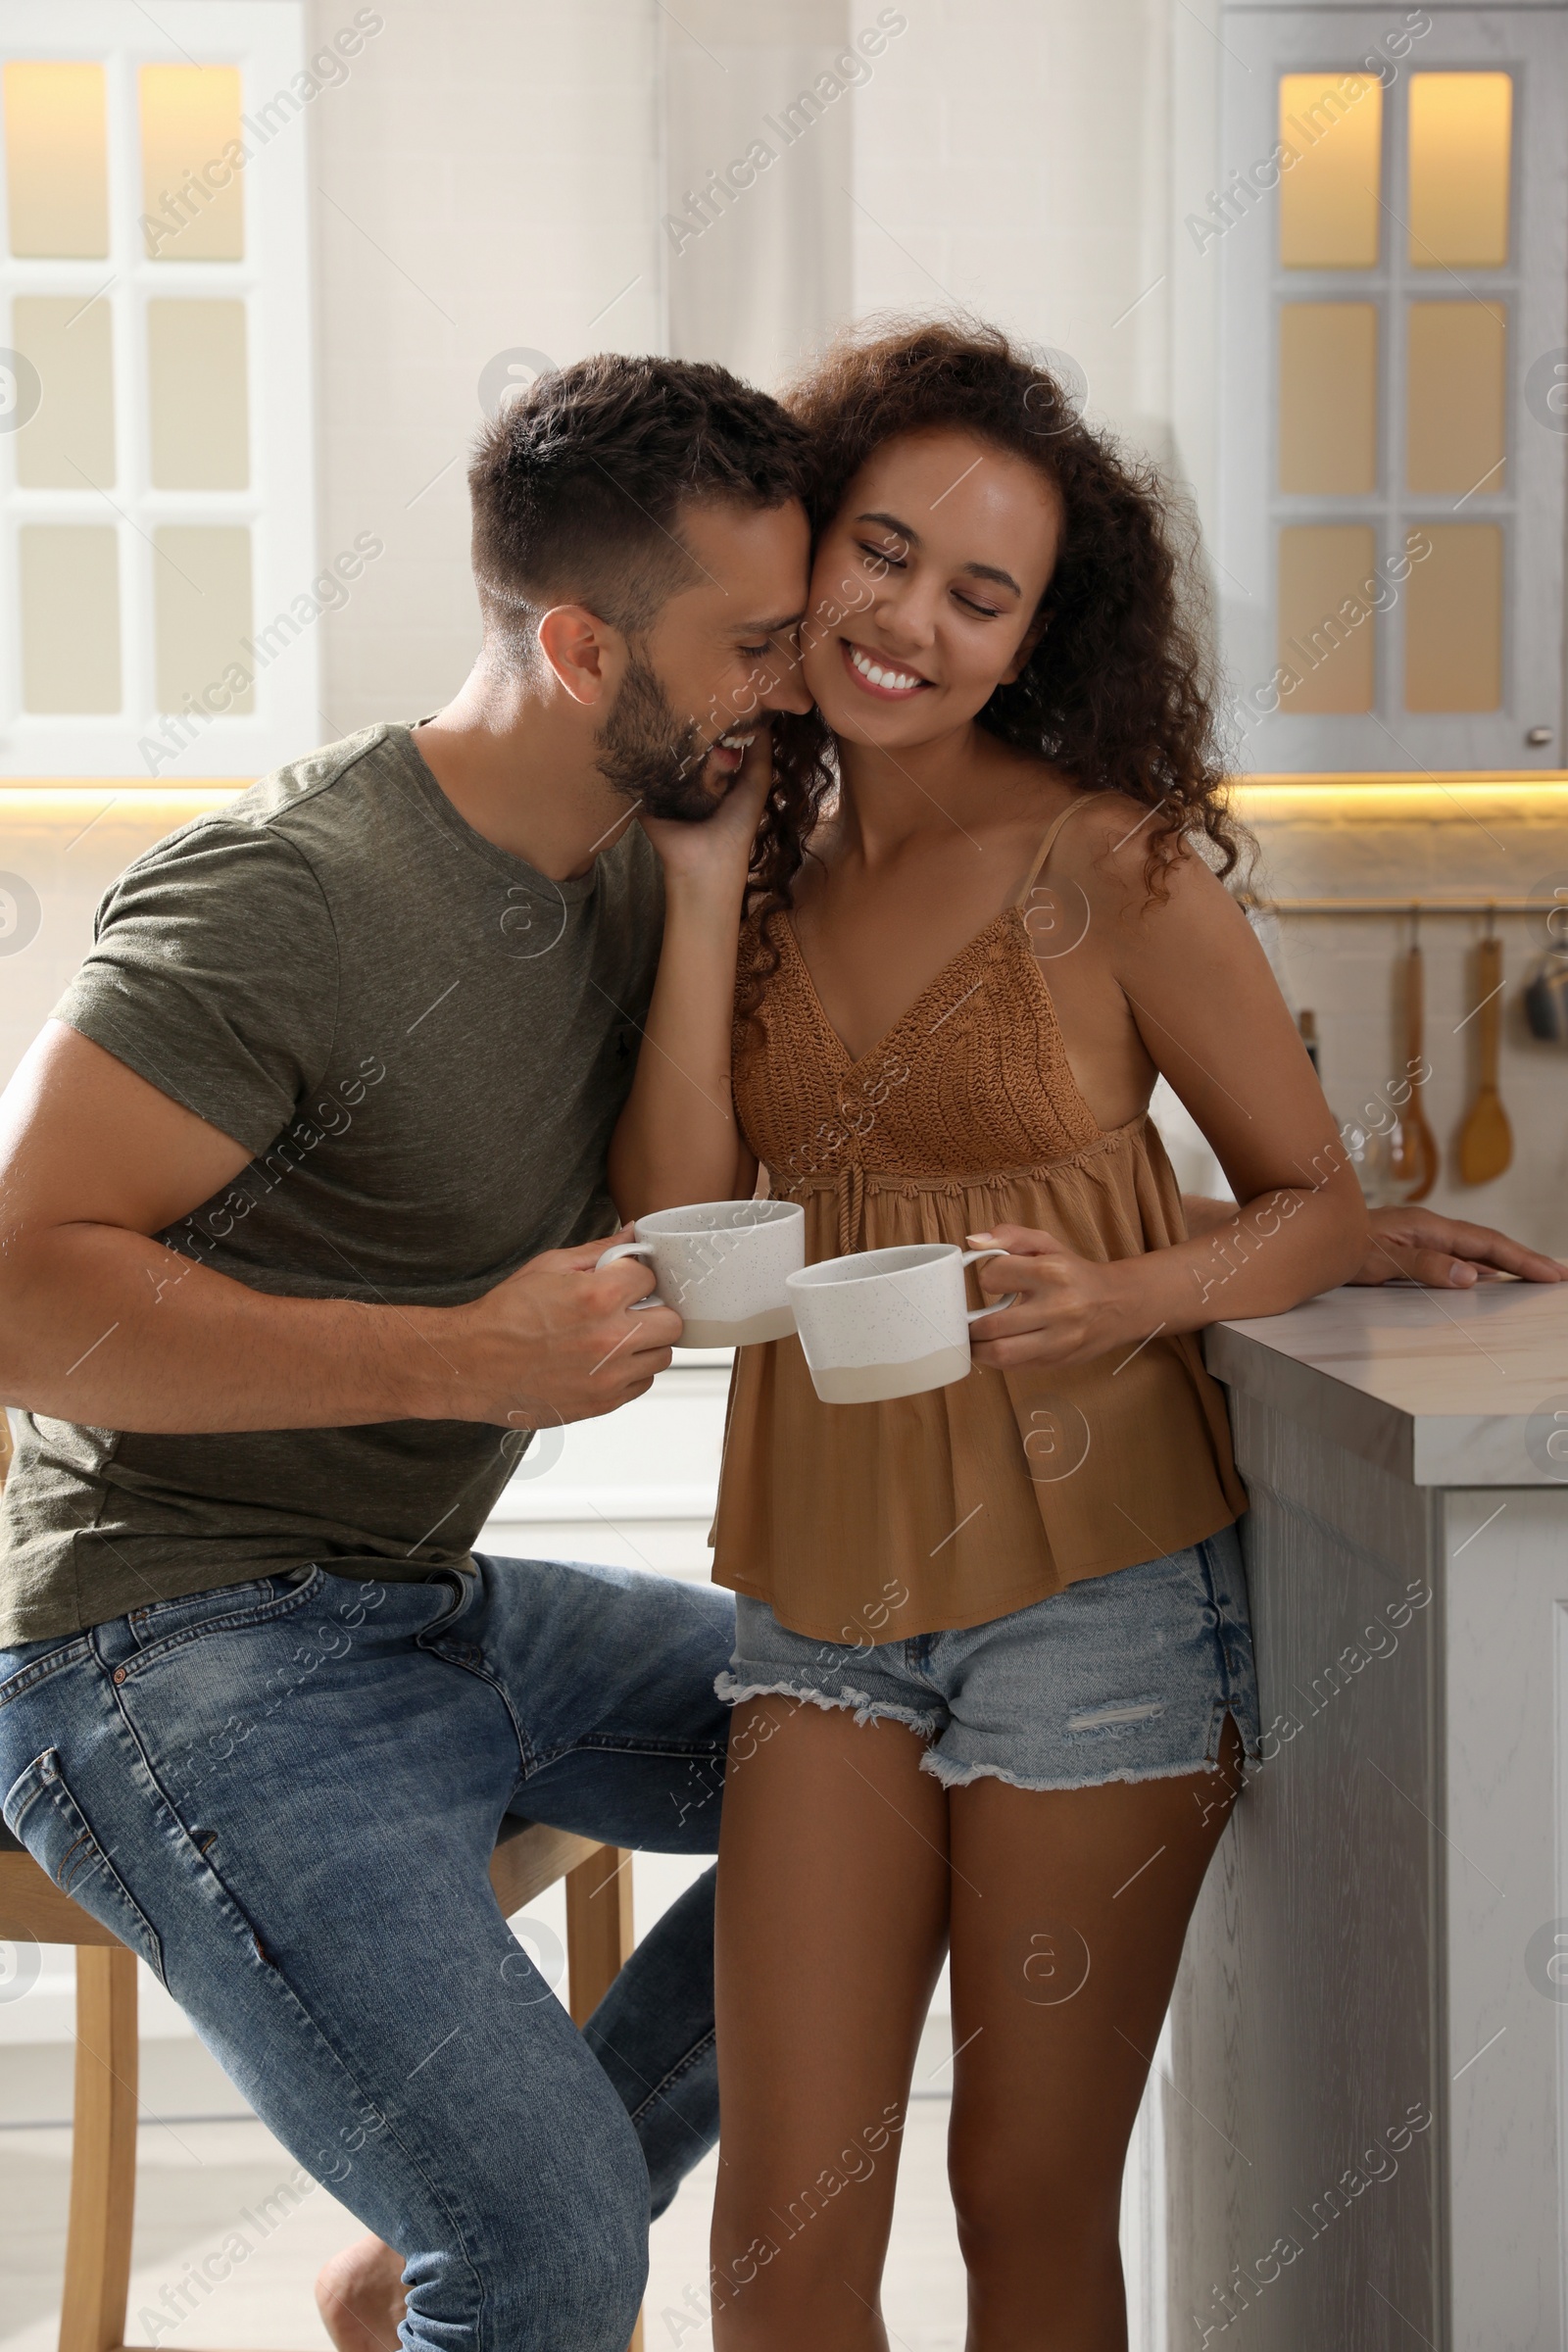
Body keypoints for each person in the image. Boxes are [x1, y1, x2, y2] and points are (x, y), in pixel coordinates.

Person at [607, 318, 1567, 2352]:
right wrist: (696, 897)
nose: (910, 625)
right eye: (881, 555)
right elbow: (677, 1218)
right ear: (809, 549)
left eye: (980, 595)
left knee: (1022, 2206)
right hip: (818, 1601)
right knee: (780, 2242)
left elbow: (1299, 1194)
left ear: (1035, 634)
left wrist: (1134, 1288)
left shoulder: (1112, 865)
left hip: (1096, 1604)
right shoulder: (744, 869)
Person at [0, 354, 818, 2352]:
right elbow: (16, 1283)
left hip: (417, 1608)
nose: (789, 688)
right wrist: (459, 1357)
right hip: (160, 1646)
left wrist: (703, 890)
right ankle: (504, 2231)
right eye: (753, 645)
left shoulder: (631, 856)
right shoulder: (286, 900)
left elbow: (660, 1219)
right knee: (538, 2261)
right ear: (574, 642)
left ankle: (457, 2233)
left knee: (892, 1740)